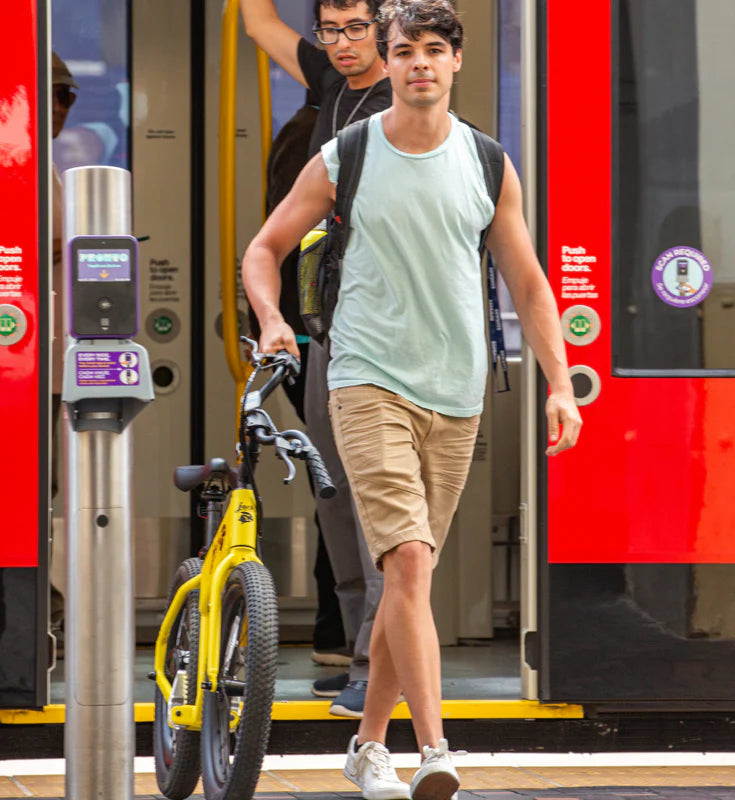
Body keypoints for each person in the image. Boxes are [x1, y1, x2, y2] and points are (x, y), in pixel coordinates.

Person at [243, 1, 582, 797]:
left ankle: (367, 745)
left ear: (457, 60)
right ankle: (433, 749)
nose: (420, 63)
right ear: (387, 62)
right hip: (365, 378)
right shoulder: (348, 154)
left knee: (409, 580)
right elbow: (265, 248)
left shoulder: (489, 163)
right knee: (408, 558)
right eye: (405, 51)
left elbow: (529, 283)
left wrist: (561, 383)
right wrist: (272, 321)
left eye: (434, 49)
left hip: (456, 392)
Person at [240, 0, 393, 716]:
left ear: (385, 29)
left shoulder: (401, 101)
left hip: (382, 331)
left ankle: (376, 663)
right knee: (333, 494)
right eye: (328, 29)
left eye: (356, 28)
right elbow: (258, 25)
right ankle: (357, 645)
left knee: (373, 504)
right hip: (327, 322)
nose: (340, 43)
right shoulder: (333, 82)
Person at [246, 90, 352, 669]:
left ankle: (345, 630)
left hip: (326, 335)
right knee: (338, 483)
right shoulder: (322, 135)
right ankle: (340, 629)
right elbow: (283, 245)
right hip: (314, 336)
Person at [49, 52, 79, 630]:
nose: (60, 106)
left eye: (68, 95)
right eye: (53, 93)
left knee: (43, 487)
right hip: (24, 361)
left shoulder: (43, 167)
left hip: (48, 363)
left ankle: (46, 606)